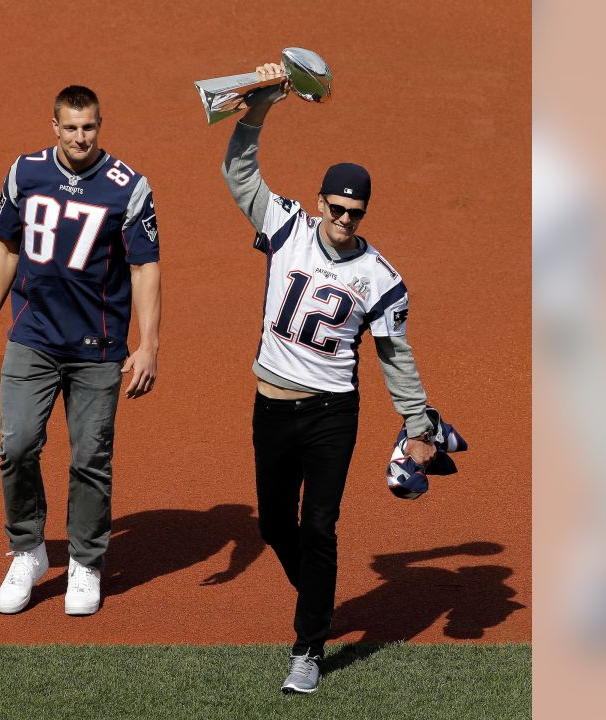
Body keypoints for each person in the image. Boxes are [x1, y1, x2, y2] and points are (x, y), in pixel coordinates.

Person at [222, 63, 441, 694]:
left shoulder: (378, 274)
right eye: (338, 207)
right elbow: (239, 174)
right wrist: (258, 109)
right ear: (321, 202)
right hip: (271, 407)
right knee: (273, 528)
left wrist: (418, 420)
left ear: (365, 211)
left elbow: (394, 354)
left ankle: (309, 645)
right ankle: (319, 597)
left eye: (356, 211)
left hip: (331, 415)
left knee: (319, 525)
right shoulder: (286, 227)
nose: (346, 219)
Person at [0, 85, 161, 616]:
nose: (81, 137)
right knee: (16, 447)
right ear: (54, 126)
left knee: (90, 458)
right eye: (71, 127)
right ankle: (29, 550)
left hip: (98, 348)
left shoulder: (128, 187)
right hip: (32, 337)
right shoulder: (24, 173)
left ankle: (84, 561)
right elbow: (4, 246)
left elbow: (145, 266)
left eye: (90, 127)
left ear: (99, 125)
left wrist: (148, 345)